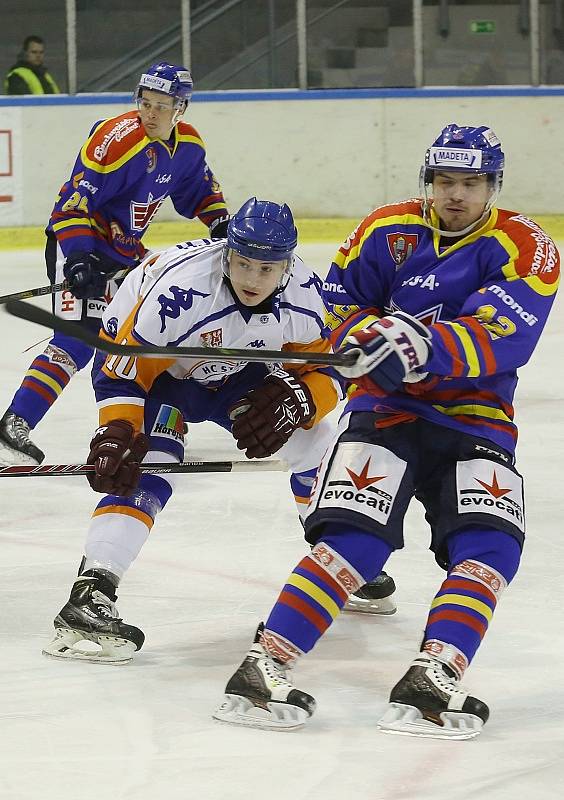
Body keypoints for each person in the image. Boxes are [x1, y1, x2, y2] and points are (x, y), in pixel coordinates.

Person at [214, 124, 560, 738]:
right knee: (355, 540)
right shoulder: (384, 229)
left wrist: (423, 343)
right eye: (445, 181)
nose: (456, 195)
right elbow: (339, 305)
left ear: (493, 186)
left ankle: (435, 673)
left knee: (491, 545)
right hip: (385, 410)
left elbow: (508, 335)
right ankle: (263, 666)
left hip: (472, 417)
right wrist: (363, 341)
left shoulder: (526, 246)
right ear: (429, 181)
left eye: (471, 183)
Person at [41, 197, 346, 663]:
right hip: (165, 377)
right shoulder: (179, 293)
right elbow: (122, 371)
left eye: (266, 270)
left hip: (239, 374)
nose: (251, 279)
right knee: (147, 465)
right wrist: (120, 431)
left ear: (286, 267)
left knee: (317, 440)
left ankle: (333, 555)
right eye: (242, 263)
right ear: (227, 252)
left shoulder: (305, 295)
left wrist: (303, 399)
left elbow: (327, 371)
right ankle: (92, 592)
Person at [0, 61, 229, 467]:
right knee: (79, 338)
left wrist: (220, 222)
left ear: (182, 108)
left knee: (154, 328)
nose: (151, 112)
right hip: (83, 246)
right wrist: (79, 258)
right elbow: (71, 205)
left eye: (162, 105)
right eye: (146, 102)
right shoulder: (115, 141)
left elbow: (199, 192)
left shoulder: (188, 146)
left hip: (127, 255)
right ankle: (15, 422)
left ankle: (159, 418)